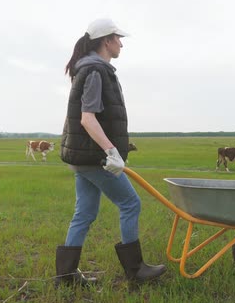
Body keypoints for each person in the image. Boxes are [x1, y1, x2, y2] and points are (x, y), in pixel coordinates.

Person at [55, 18, 166, 286]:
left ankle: (66, 278)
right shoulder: (95, 71)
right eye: (119, 39)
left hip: (83, 157)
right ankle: (136, 270)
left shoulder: (90, 69)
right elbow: (87, 118)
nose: (121, 45)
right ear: (107, 40)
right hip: (95, 159)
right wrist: (112, 151)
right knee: (130, 204)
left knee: (84, 213)